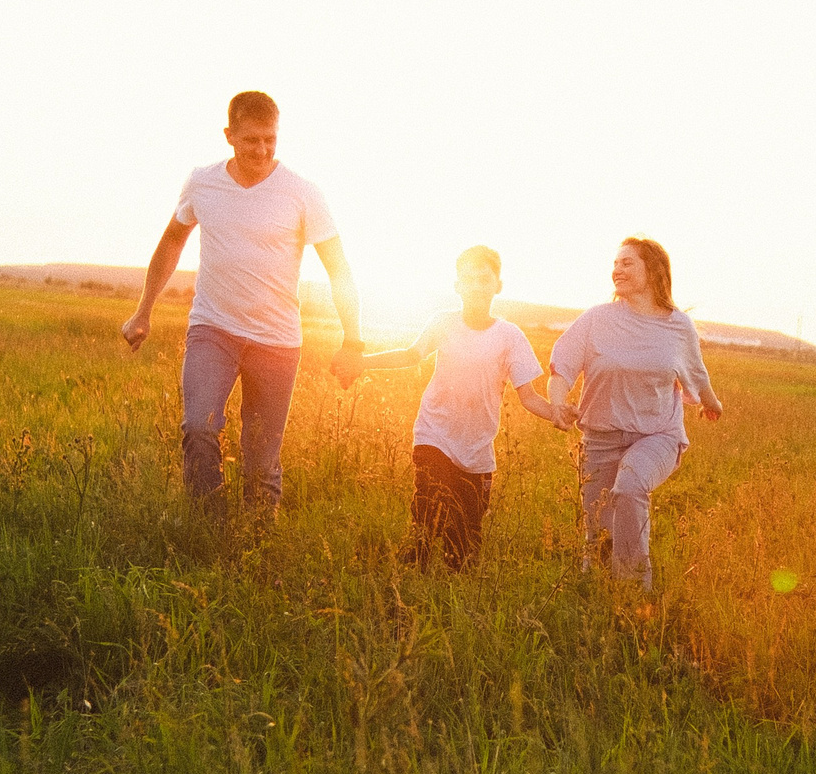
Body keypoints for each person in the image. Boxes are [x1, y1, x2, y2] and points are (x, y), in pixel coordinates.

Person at [120, 91, 362, 517]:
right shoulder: (203, 181)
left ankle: (255, 544)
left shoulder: (303, 193)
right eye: (251, 140)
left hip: (277, 342)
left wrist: (352, 340)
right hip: (213, 329)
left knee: (260, 461)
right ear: (229, 135)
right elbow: (172, 240)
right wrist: (144, 310)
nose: (262, 150)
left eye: (270, 139)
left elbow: (339, 268)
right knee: (198, 428)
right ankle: (206, 525)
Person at [340, 246, 561, 568]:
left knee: (464, 548)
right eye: (467, 279)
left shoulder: (510, 336)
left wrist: (555, 412)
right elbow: (411, 355)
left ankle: (447, 591)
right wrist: (362, 362)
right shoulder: (443, 322)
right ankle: (408, 583)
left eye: (483, 279)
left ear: (497, 285)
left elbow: (527, 396)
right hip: (434, 434)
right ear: (457, 285)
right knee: (427, 517)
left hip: (477, 451)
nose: (475, 286)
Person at [546, 236, 724, 586]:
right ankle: (596, 598)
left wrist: (711, 403)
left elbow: (697, 371)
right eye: (615, 263)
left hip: (657, 435)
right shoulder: (597, 319)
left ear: (653, 270)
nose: (617, 269)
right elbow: (562, 366)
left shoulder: (678, 326)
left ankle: (633, 594)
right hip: (600, 439)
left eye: (627, 263)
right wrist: (557, 403)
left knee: (628, 489)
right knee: (598, 536)